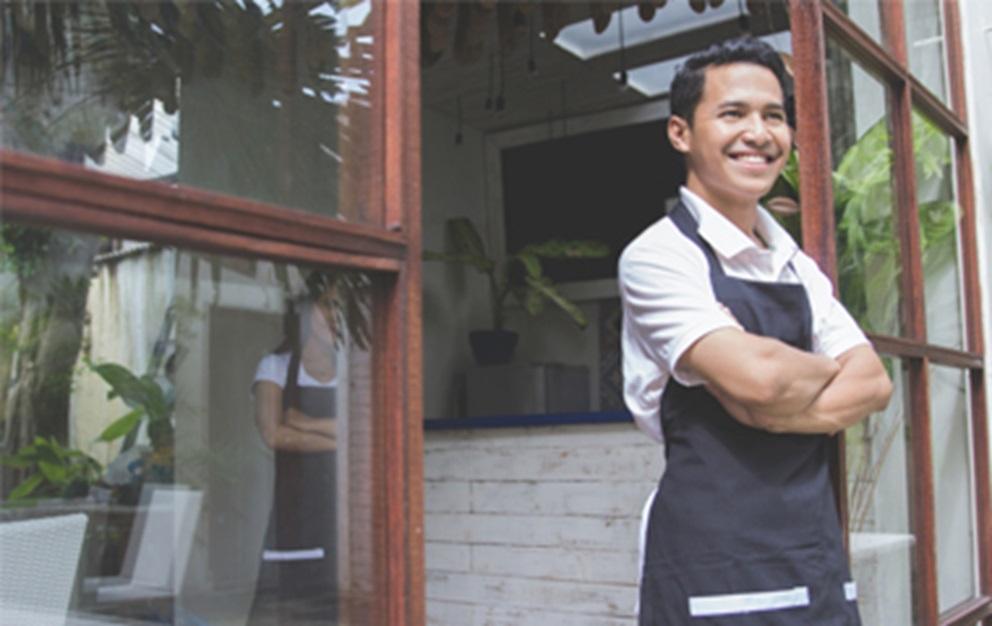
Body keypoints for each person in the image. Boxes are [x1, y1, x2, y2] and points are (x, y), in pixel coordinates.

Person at [619, 36, 893, 625]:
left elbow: (872, 383)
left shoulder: (794, 262)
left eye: (774, 115)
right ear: (680, 133)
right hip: (714, 554)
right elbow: (758, 378)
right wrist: (818, 369)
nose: (759, 133)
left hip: (811, 545)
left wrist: (767, 402)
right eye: (733, 113)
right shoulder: (658, 257)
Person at [252, 296, 339, 621]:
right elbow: (274, 435)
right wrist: (339, 440)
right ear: (305, 312)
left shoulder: (352, 365)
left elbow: (365, 431)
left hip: (344, 508)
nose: (334, 314)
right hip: (297, 509)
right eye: (327, 305)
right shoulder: (274, 367)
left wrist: (305, 423)